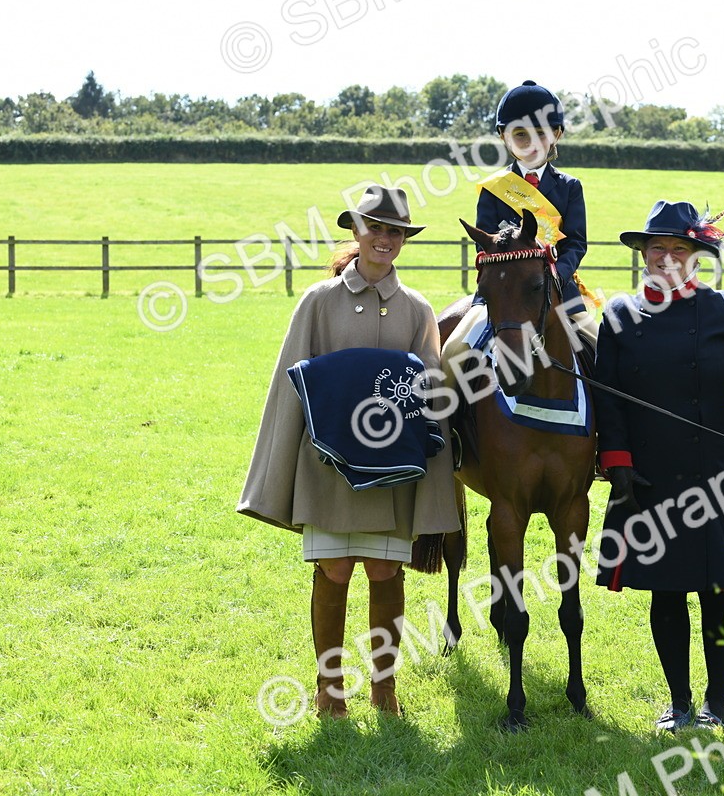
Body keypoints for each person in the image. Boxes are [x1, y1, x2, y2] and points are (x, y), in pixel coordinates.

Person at [237, 185, 458, 718]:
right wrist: (285, 466)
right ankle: (328, 687)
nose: (384, 239)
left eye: (395, 232)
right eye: (375, 228)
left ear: (403, 240)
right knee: (333, 571)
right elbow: (292, 387)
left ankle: (384, 687)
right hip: (328, 466)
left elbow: (432, 388)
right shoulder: (317, 301)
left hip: (392, 471)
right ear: (356, 232)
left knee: (386, 574)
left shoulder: (418, 308)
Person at [593, 200, 724, 732]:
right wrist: (617, 462)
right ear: (643, 253)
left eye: (680, 249)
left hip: (719, 474)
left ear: (698, 255)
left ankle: (717, 703)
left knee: (720, 592)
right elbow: (606, 398)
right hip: (649, 476)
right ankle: (679, 703)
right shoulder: (617, 316)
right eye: (658, 248)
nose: (667, 258)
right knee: (666, 591)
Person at [444, 80, 593, 363]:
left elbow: (576, 243)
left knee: (598, 348)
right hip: (502, 292)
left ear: (557, 134)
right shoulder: (493, 188)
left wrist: (556, 274)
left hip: (560, 289)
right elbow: (484, 242)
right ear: (503, 136)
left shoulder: (570, 187)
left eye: (540, 133)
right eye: (521, 134)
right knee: (453, 352)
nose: (531, 143)